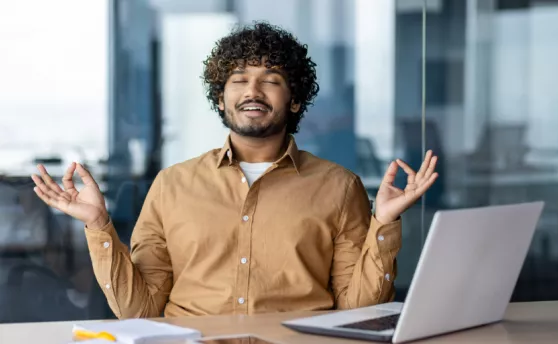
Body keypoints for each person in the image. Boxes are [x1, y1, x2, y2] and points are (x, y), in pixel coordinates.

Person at [31, 22, 438, 318]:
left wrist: (384, 222)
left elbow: (357, 310)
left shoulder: (338, 186)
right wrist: (99, 224)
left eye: (271, 80)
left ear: (294, 100)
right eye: (239, 80)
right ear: (222, 100)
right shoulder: (173, 185)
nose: (252, 91)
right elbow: (140, 311)